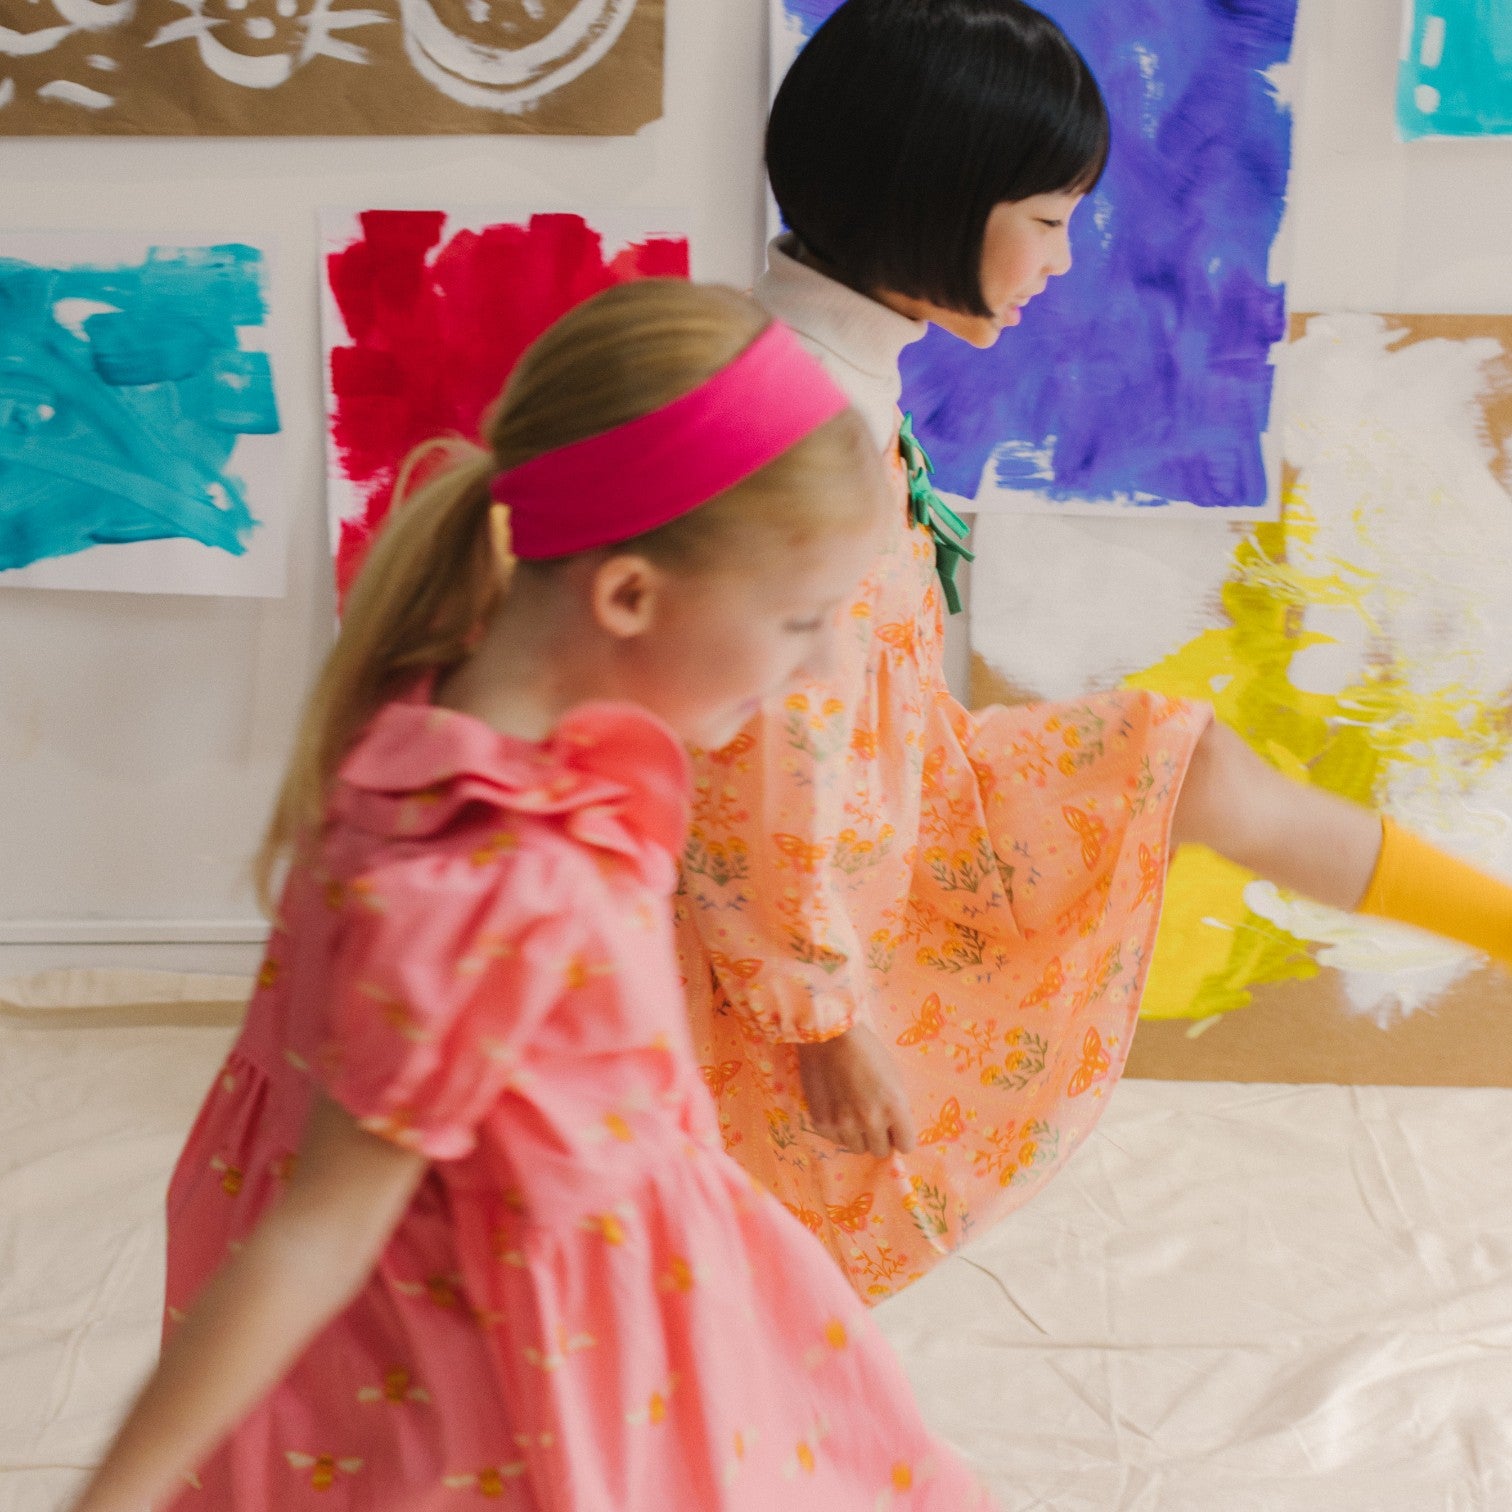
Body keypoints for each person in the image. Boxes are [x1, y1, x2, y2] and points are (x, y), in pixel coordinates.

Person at [66, 282, 998, 1512]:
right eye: (802, 621)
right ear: (627, 598)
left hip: (605, 1276)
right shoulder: (489, 885)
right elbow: (318, 1235)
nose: (824, 666)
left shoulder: (451, 704)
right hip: (505, 1356)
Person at [675, 0, 1512, 1301]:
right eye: (1050, 221)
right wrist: (826, 1015)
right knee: (758, 1288)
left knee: (1178, 759)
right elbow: (764, 771)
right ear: (935, 200)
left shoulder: (815, 364)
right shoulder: (805, 433)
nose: (1066, 263)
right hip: (809, 887)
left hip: (896, 797)